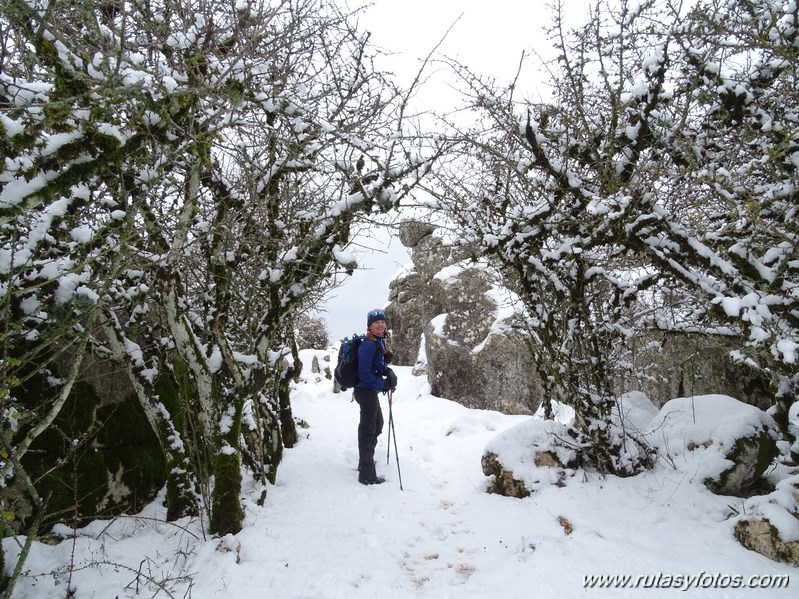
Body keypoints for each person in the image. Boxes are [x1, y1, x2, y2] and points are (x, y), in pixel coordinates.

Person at [353, 308, 397, 485]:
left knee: (377, 424)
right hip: (364, 391)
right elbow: (364, 373)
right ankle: (367, 474)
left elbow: (376, 366)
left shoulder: (379, 343)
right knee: (368, 429)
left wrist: (388, 371)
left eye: (382, 321)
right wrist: (383, 384)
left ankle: (365, 461)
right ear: (370, 326)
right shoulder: (368, 345)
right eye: (376, 322)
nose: (380, 324)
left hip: (370, 390)